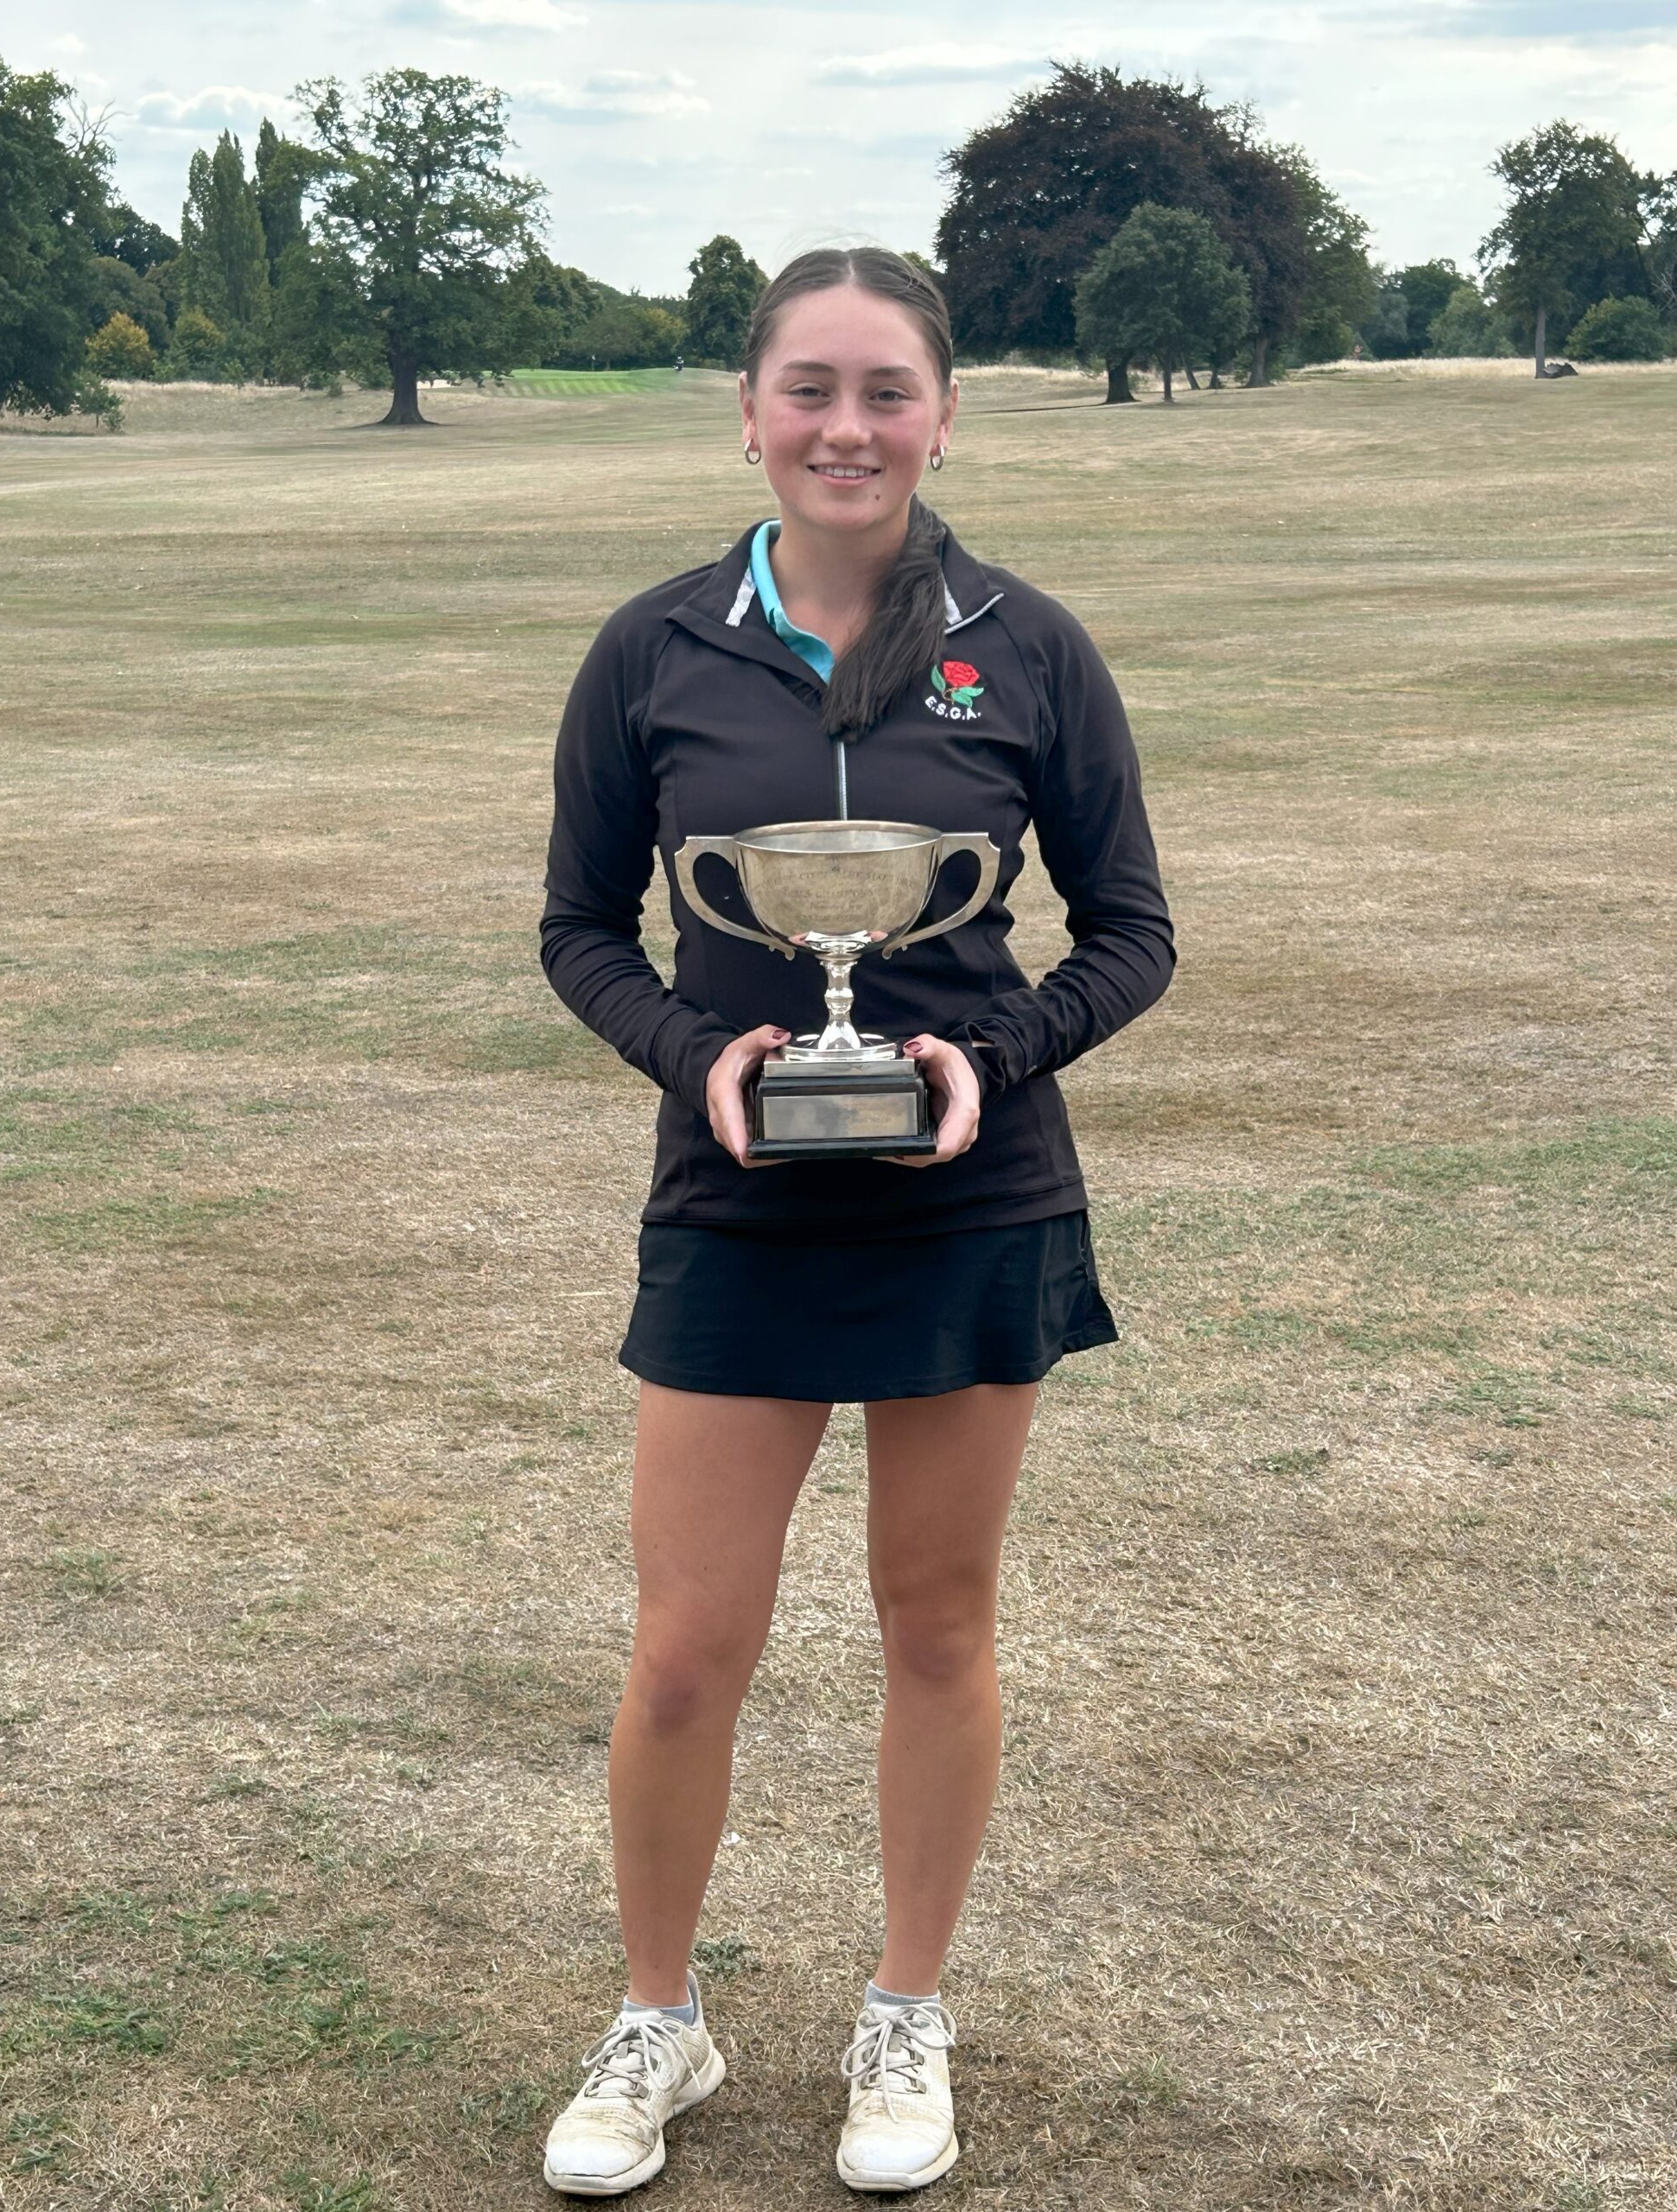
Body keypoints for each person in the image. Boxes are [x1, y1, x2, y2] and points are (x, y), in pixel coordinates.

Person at [536, 245, 1175, 2196]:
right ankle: (660, 2018)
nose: (846, 426)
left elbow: (1132, 931)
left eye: (886, 390)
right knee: (683, 1649)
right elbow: (579, 927)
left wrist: (995, 1050)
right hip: (735, 1204)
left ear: (944, 415)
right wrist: (696, 1055)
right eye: (808, 388)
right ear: (748, 414)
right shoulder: (654, 648)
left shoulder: (1028, 645)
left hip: (971, 1192)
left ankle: (907, 2011)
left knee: (938, 1622)